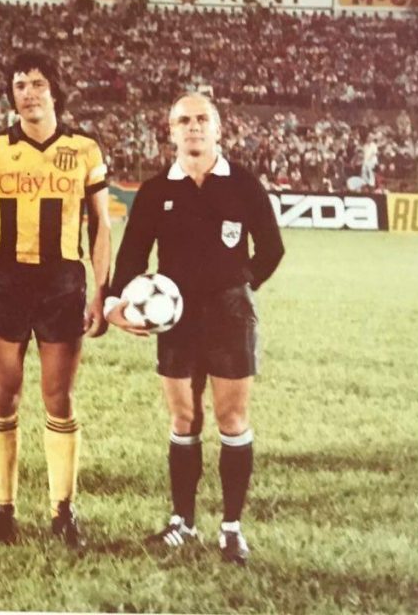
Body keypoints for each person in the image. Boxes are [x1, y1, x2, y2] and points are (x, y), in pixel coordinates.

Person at [105, 93, 284, 566]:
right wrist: (113, 304)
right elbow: (131, 254)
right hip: (175, 322)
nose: (193, 127)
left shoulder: (243, 184)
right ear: (171, 132)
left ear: (218, 129)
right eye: (183, 120)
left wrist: (241, 284)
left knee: (231, 419)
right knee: (184, 419)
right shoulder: (156, 191)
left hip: (229, 317)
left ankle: (231, 529)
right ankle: (182, 522)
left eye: (202, 119)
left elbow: (271, 248)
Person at [0, 51, 111, 548]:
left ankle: (63, 509)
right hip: (5, 282)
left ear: (55, 90)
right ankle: (3, 509)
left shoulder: (84, 148)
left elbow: (101, 225)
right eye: (19, 84)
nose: (28, 93)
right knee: (4, 396)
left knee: (58, 399)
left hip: (62, 283)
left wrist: (101, 291)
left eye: (37, 83)